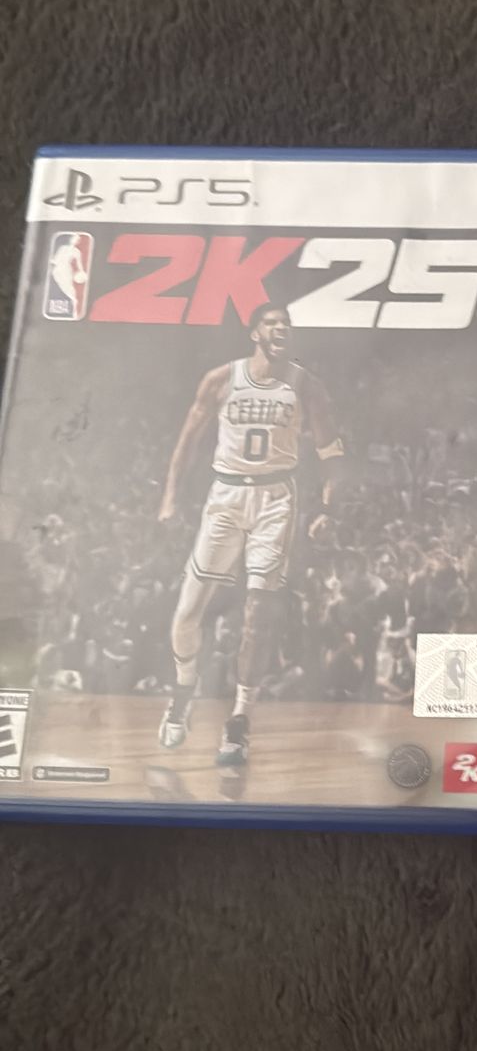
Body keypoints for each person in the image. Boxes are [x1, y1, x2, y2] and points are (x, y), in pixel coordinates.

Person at [156, 303, 343, 765]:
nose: (281, 329)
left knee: (259, 611)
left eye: (287, 324)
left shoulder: (307, 385)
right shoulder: (221, 379)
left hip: (276, 498)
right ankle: (183, 692)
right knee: (187, 613)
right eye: (272, 323)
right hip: (226, 496)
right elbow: (187, 442)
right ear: (254, 332)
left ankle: (239, 720)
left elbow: (331, 450)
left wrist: (328, 508)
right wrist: (170, 498)